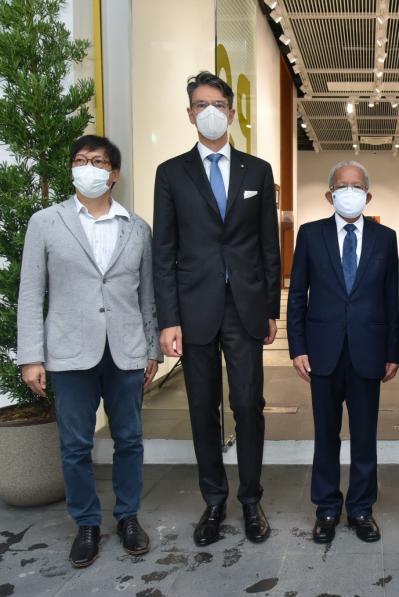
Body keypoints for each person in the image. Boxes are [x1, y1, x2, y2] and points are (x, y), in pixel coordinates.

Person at [17, 135, 161, 568]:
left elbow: (147, 296)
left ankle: (128, 517)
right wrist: (31, 356)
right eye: (80, 160)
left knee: (129, 440)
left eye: (98, 162)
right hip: (69, 353)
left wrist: (151, 349)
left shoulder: (137, 228)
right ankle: (86, 524)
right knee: (76, 444)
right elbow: (30, 293)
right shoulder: (46, 222)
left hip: (125, 351)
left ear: (114, 174)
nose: (88, 168)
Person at [152, 72, 281, 546]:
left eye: (218, 104)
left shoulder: (257, 171)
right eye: (201, 105)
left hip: (244, 308)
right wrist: (168, 319)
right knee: (202, 407)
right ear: (190, 114)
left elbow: (268, 246)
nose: (210, 112)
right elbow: (163, 251)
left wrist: (271, 308)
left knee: (248, 404)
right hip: (194, 309)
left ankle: (250, 500)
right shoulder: (171, 173)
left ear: (231, 112)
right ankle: (213, 501)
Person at [287, 161, 399, 544]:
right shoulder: (310, 234)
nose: (349, 192)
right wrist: (298, 347)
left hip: (369, 351)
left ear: (367, 196)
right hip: (323, 351)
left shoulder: (385, 238)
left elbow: (392, 298)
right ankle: (326, 508)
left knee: (365, 436)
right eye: (342, 186)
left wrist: (394, 350)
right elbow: (297, 295)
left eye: (356, 186)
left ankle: (361, 509)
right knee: (326, 435)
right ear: (329, 194)